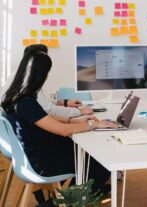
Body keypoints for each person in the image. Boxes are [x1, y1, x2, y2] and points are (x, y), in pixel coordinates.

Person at [1, 47, 119, 206]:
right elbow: (62, 131)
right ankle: (60, 203)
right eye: (47, 72)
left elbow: (43, 118)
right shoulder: (26, 101)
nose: (48, 75)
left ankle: (79, 192)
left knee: (89, 157)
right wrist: (92, 124)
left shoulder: (15, 96)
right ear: (40, 74)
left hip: (36, 152)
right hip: (41, 162)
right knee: (101, 163)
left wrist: (73, 121)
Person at [0, 44, 93, 118]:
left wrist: (63, 102)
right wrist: (79, 112)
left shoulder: (19, 75)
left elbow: (39, 102)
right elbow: (49, 110)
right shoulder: (28, 80)